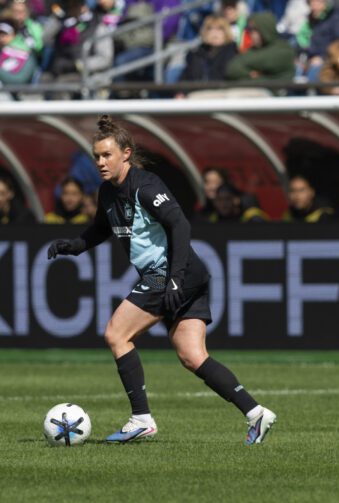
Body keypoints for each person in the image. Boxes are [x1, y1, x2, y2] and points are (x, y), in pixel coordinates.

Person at [47, 115, 277, 445]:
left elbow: (180, 226)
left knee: (116, 334)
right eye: (96, 156)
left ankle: (141, 418)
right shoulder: (108, 193)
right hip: (184, 276)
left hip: (169, 274)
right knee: (192, 356)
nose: (100, 162)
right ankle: (256, 413)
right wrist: (74, 246)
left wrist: (173, 280)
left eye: (106, 155)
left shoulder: (146, 186)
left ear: (126, 153)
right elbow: (100, 230)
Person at [225, 11, 295, 83]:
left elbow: (264, 60)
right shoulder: (253, 50)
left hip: (276, 91)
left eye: (254, 29)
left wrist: (250, 72)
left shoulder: (284, 49)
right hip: (251, 89)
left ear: (266, 29)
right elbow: (232, 68)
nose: (251, 33)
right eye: (249, 29)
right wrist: (249, 74)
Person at [179, 15, 237, 84]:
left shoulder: (233, 52)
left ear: (226, 32)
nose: (215, 33)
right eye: (210, 29)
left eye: (219, 29)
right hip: (196, 91)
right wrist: (181, 92)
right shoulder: (196, 54)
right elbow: (185, 77)